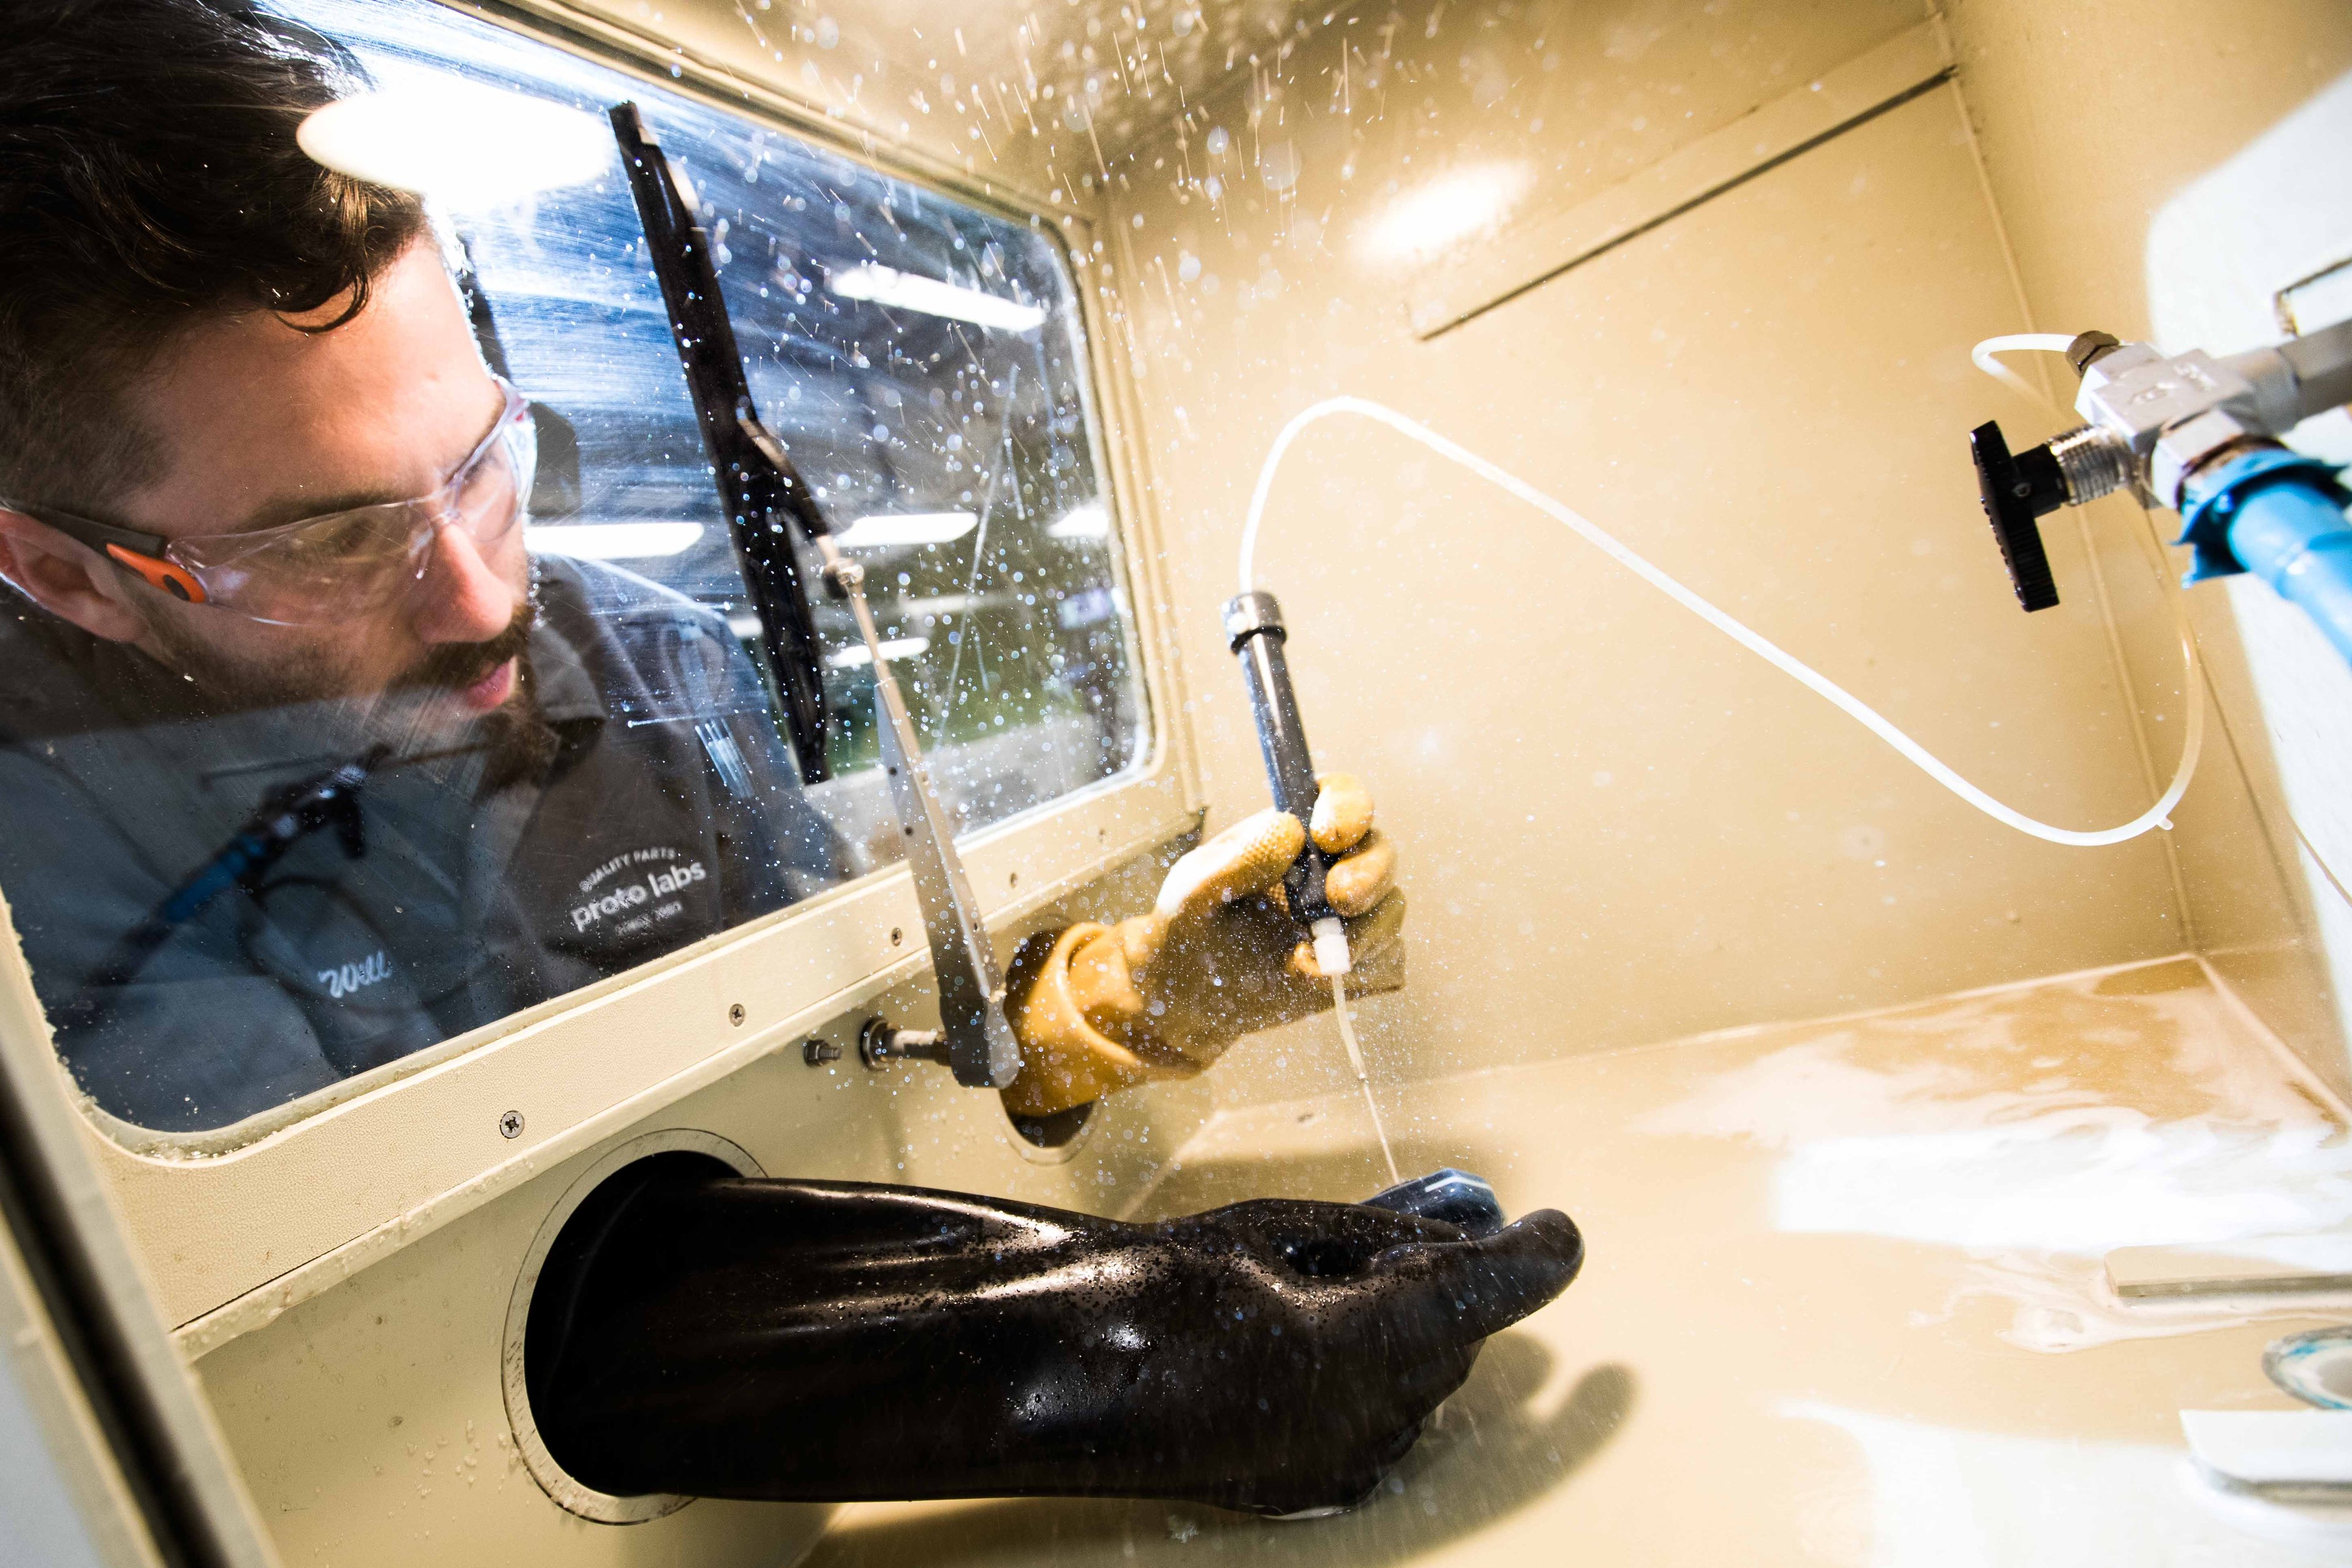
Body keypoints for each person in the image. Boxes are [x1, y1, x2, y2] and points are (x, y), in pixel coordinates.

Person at [0, 2, 1578, 1518]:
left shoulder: (659, 665)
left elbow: (835, 1059)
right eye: (338, 541)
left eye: (486, 463)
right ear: (65, 572)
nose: (488, 602)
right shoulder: (34, 870)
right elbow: (352, 1327)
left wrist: (1115, 1010)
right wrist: (1090, 1358)